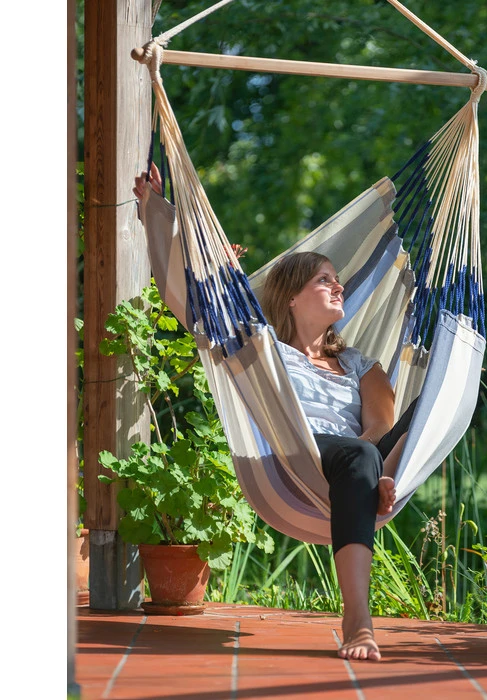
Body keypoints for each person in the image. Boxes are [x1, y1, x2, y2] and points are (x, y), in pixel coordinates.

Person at [134, 164, 415, 662]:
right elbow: (196, 302)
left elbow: (382, 423)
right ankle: (358, 618)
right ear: (291, 297)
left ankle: (372, 478)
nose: (338, 287)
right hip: (300, 453)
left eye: (338, 280)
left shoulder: (360, 363)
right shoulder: (265, 351)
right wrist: (159, 212)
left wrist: (371, 461)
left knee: (416, 418)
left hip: (361, 456)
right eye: (324, 280)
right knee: (356, 457)